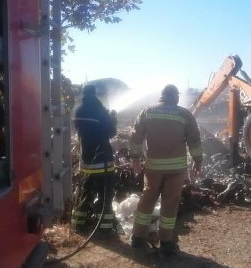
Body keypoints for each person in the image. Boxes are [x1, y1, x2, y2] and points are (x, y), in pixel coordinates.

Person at [128, 84, 203, 257]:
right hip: (176, 169)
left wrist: (135, 158)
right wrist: (198, 160)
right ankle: (167, 243)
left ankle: (138, 238)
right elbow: (194, 140)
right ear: (176, 96)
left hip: (154, 167)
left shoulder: (147, 112)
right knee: (170, 204)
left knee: (147, 200)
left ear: (162, 96)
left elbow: (136, 136)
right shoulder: (185, 114)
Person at [72, 84, 118, 236]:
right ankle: (104, 229)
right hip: (103, 161)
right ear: (95, 93)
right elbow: (111, 132)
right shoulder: (100, 110)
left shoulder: (78, 110)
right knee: (105, 196)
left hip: (86, 162)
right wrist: (113, 119)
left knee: (85, 193)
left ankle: (79, 224)